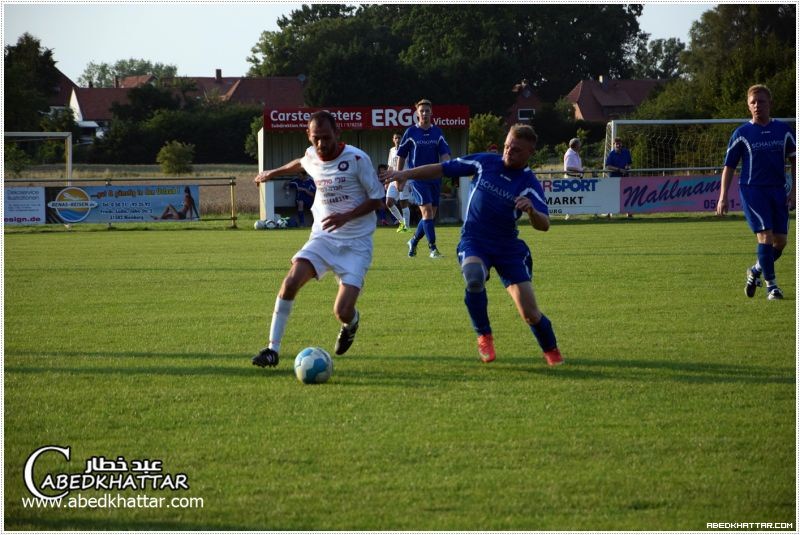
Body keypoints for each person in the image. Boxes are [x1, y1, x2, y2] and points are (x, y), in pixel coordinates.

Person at [381, 123, 563, 366]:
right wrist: (405, 174)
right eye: (507, 146)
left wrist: (531, 211)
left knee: (530, 314)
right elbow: (442, 168)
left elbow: (545, 224)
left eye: (517, 150)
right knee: (474, 276)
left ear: (530, 152)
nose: (509, 152)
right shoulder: (484, 162)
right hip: (474, 240)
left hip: (508, 247)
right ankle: (484, 335)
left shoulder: (529, 183)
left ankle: (551, 350)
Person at [251, 111, 386, 368]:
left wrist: (346, 216)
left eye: (326, 138)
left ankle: (352, 323)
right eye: (316, 139)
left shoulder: (357, 159)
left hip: (356, 244)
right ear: (309, 136)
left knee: (342, 311)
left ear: (338, 134)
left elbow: (379, 200)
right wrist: (273, 172)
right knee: (290, 282)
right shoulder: (312, 154)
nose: (321, 144)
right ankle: (272, 350)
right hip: (323, 237)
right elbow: (302, 163)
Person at [716, 84, 796, 300]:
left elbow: (794, 159)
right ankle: (772, 287)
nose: (757, 105)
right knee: (765, 237)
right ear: (748, 106)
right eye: (753, 102)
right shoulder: (742, 133)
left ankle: (755, 270)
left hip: (778, 190)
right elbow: (729, 167)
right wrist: (723, 197)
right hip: (753, 191)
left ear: (770, 103)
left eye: (761, 101)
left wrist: (794, 191)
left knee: (780, 242)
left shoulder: (784, 130)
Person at [396, 99, 451, 258]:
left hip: (435, 177)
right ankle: (433, 248)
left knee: (430, 216)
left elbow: (445, 153)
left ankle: (413, 241)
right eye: (422, 111)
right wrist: (400, 176)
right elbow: (401, 155)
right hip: (417, 178)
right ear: (417, 113)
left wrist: (448, 167)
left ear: (431, 112)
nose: (425, 113)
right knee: (427, 212)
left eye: (427, 110)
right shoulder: (411, 132)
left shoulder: (437, 132)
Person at [386, 132, 411, 232]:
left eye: (399, 138)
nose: (397, 140)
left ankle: (407, 227)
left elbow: (410, 165)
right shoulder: (391, 150)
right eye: (396, 138)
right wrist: (387, 180)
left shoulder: (406, 150)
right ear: (393, 139)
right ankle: (402, 223)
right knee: (389, 202)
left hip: (404, 178)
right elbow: (390, 166)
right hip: (393, 179)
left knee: (403, 203)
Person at [604, 137, 633, 218]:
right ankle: (608, 213)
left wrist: (627, 166)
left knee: (627, 195)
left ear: (621, 144)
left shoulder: (626, 152)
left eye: (619, 143)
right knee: (613, 195)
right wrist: (619, 170)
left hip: (625, 177)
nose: (618, 145)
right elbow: (608, 166)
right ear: (613, 145)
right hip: (614, 178)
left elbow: (630, 163)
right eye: (616, 143)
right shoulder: (611, 154)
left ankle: (629, 213)